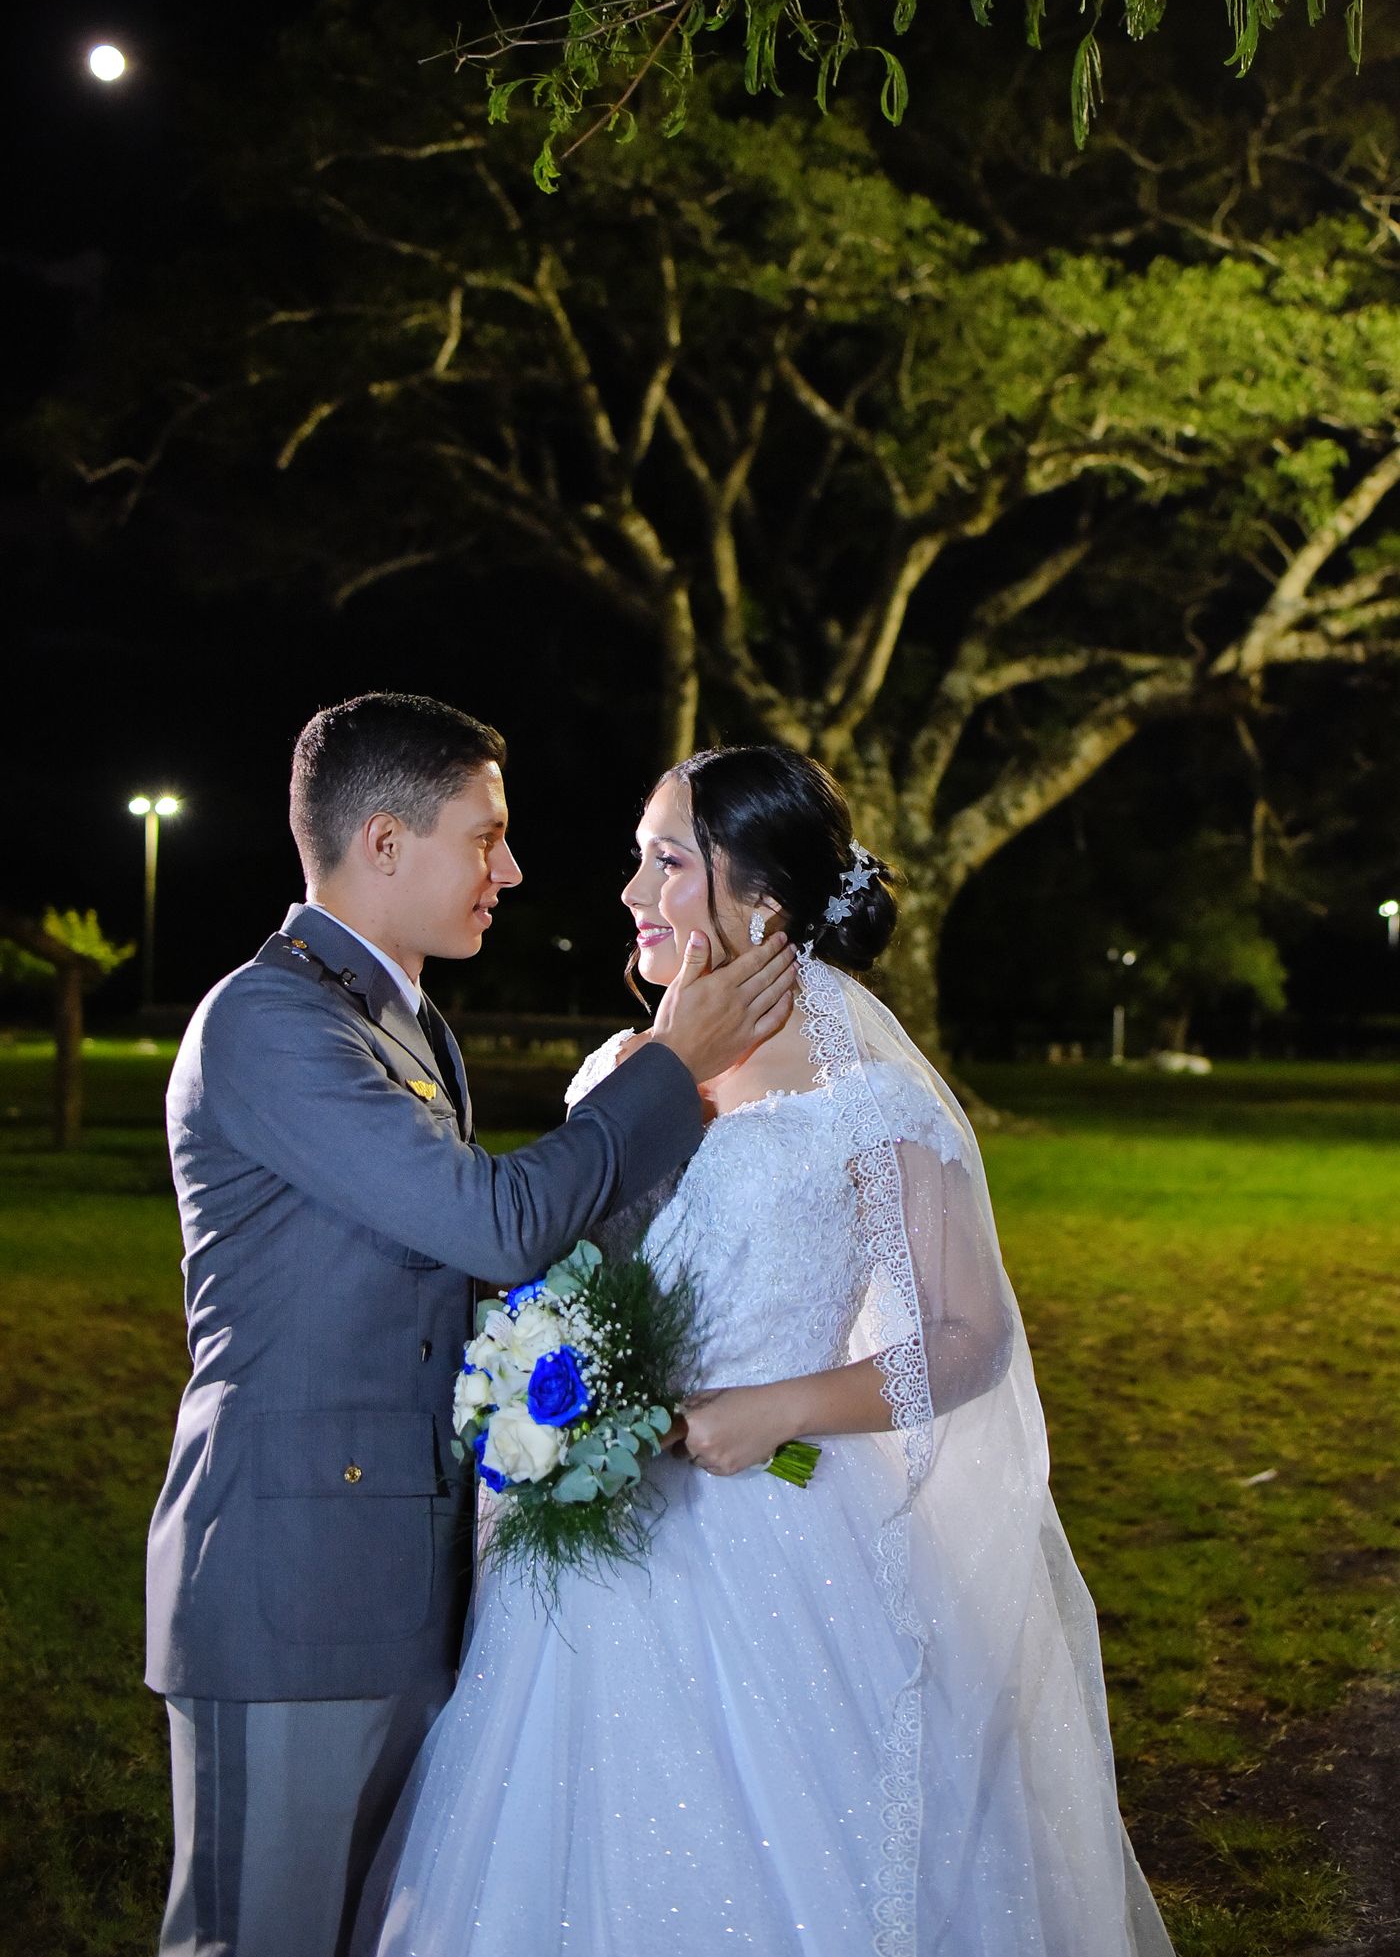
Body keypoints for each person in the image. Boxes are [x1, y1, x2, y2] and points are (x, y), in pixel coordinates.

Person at [359, 741, 1177, 1957]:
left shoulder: (863, 1096)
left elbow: (966, 1337)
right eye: (637, 861)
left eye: (667, 863)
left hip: (782, 1535)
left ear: (765, 901)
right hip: (592, 1544)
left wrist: (778, 1408)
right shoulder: (619, 1073)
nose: (632, 894)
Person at [146, 694, 796, 1957]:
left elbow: (461, 1272)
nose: (511, 870)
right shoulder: (270, 1020)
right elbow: (494, 1226)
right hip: (291, 1583)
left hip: (401, 1570)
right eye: (484, 837)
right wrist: (670, 1066)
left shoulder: (402, 1019)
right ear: (385, 843)